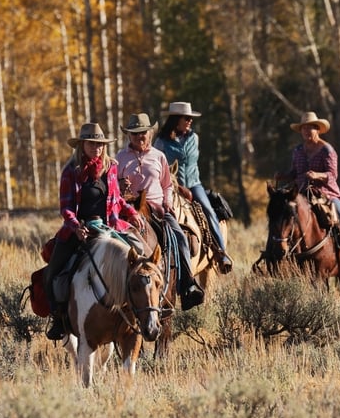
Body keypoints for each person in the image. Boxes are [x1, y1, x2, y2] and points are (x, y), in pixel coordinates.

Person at [44, 122, 144, 340]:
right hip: (78, 229)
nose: (96, 148)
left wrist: (132, 213)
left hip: (109, 226)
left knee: (142, 257)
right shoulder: (71, 171)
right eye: (91, 143)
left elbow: (116, 199)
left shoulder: (111, 167)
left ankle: (142, 310)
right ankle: (59, 318)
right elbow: (66, 207)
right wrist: (76, 226)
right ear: (82, 145)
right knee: (51, 274)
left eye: (99, 144)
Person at [116, 112, 205, 310]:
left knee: (180, 237)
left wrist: (167, 203)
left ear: (150, 133)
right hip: (128, 209)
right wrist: (121, 185)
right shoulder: (120, 158)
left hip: (156, 208)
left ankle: (187, 285)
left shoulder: (159, 156)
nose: (140, 136)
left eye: (144, 132)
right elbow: (112, 186)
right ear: (128, 135)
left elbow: (167, 185)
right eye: (135, 133)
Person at [279, 111, 340, 279]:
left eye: (310, 128)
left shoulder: (327, 150)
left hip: (327, 194)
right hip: (301, 193)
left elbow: (332, 174)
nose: (306, 132)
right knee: (282, 216)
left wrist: (317, 175)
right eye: (304, 129)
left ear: (318, 130)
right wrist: (284, 175)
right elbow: (294, 172)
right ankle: (276, 258)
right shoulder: (298, 151)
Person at [154, 101, 234, 273]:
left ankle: (221, 252)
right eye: (187, 118)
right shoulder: (161, 142)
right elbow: (155, 163)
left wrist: (188, 188)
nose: (190, 121)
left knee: (208, 210)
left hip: (194, 183)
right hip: (170, 186)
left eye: (191, 118)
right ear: (176, 119)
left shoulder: (194, 138)